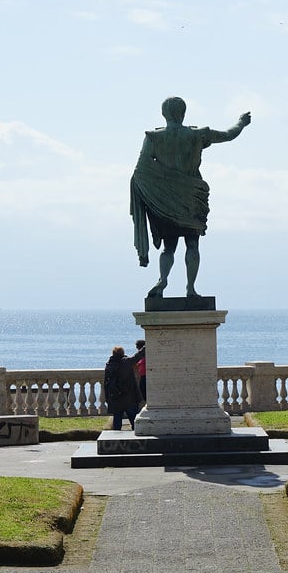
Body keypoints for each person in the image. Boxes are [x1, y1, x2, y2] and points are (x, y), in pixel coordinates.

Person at [130, 96, 251, 298]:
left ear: (164, 114)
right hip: (191, 198)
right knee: (192, 244)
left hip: (165, 201)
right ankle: (191, 288)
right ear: (183, 113)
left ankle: (163, 280)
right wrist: (241, 122)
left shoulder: (153, 137)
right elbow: (228, 135)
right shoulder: (197, 135)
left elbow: (141, 169)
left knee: (168, 247)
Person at [103, 345, 145, 430]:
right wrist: (146, 345)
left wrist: (108, 399)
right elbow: (138, 356)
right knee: (134, 421)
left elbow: (106, 384)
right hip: (129, 397)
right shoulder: (127, 362)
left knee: (117, 421)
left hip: (116, 398)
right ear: (123, 353)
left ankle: (115, 440)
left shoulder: (109, 365)